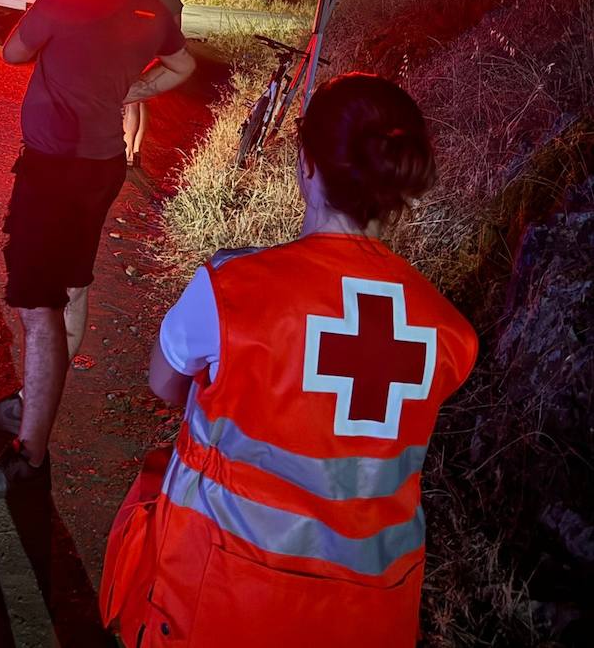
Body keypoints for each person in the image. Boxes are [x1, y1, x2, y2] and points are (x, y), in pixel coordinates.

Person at [99, 72, 479, 648]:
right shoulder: (448, 331)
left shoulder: (233, 290)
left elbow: (164, 381)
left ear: (306, 165)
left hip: (220, 599)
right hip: (368, 619)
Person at [0, 0, 196, 500]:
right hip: (101, 167)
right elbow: (182, 65)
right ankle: (27, 408)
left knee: (38, 306)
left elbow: (13, 52)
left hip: (54, 168)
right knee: (73, 288)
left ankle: (29, 455)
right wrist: (135, 85)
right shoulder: (150, 8)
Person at [123, 0, 184, 168]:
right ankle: (137, 149)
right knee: (143, 101)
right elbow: (177, 28)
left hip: (139, 51)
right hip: (161, 54)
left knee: (131, 101)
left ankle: (127, 153)